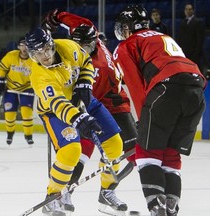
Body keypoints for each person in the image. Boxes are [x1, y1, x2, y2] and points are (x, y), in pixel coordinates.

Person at [113, 5, 206, 216]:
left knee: (146, 152)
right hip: (196, 90)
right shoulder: (163, 36)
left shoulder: (127, 44)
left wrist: (144, 117)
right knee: (171, 153)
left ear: (127, 27)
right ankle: (171, 207)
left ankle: (156, 208)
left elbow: (136, 86)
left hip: (167, 89)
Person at [44, 10, 138, 215]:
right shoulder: (73, 59)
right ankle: (65, 190)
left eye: (88, 45)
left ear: (96, 39)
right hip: (89, 105)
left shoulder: (90, 34)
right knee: (79, 151)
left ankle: (107, 191)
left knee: (132, 151)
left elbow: (80, 21)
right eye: (80, 47)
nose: (84, 50)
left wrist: (57, 16)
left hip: (117, 103)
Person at [24, 27, 124, 216]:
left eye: (45, 49)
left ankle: (107, 191)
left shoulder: (68, 47)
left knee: (115, 145)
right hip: (55, 113)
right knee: (71, 151)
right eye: (37, 53)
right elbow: (57, 103)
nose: (43, 56)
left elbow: (86, 61)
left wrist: (85, 82)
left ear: (51, 45)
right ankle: (52, 196)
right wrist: (79, 118)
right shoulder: (39, 76)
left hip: (85, 101)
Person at [0, 37, 35, 146]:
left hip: (27, 87)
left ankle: (28, 135)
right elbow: (2, 68)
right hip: (11, 88)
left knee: (27, 113)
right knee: (9, 114)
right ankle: (10, 133)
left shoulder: (34, 58)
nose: (24, 47)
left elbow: (39, 73)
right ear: (18, 47)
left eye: (26, 45)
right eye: (21, 45)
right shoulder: (11, 56)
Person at [177, 3, 205, 71]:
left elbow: (199, 39)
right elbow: (180, 38)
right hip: (184, 52)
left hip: (194, 53)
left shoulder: (198, 22)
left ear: (193, 11)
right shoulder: (182, 22)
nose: (188, 11)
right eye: (186, 9)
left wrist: (196, 52)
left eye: (189, 9)